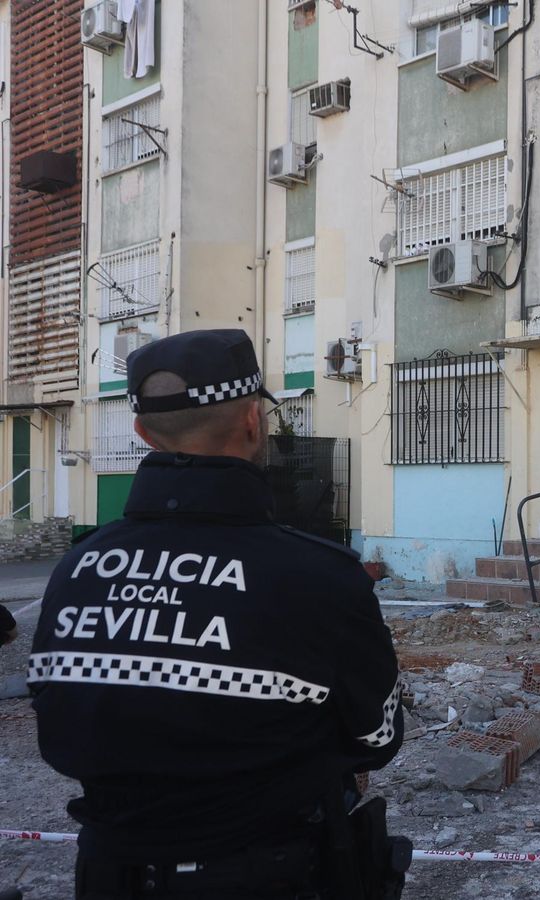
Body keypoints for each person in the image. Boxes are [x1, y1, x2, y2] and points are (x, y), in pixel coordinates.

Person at [29, 329, 409, 899]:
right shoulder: (322, 577)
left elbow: (57, 718)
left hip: (107, 875)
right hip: (271, 875)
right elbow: (378, 734)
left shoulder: (77, 569)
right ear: (254, 420)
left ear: (140, 431)